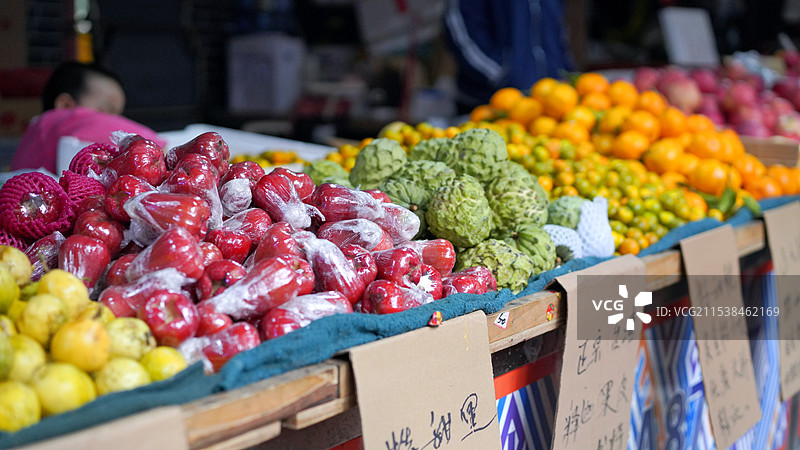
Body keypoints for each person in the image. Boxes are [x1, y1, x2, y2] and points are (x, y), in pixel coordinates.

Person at [11, 61, 165, 174]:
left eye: (117, 116)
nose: (114, 122)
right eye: (105, 111)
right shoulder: (52, 121)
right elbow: (93, 124)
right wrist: (156, 148)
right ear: (66, 105)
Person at [443, 0, 574, 113]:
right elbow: (460, 25)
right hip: (489, 105)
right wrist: (502, 75)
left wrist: (564, 72)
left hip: (550, 104)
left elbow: (557, 28)